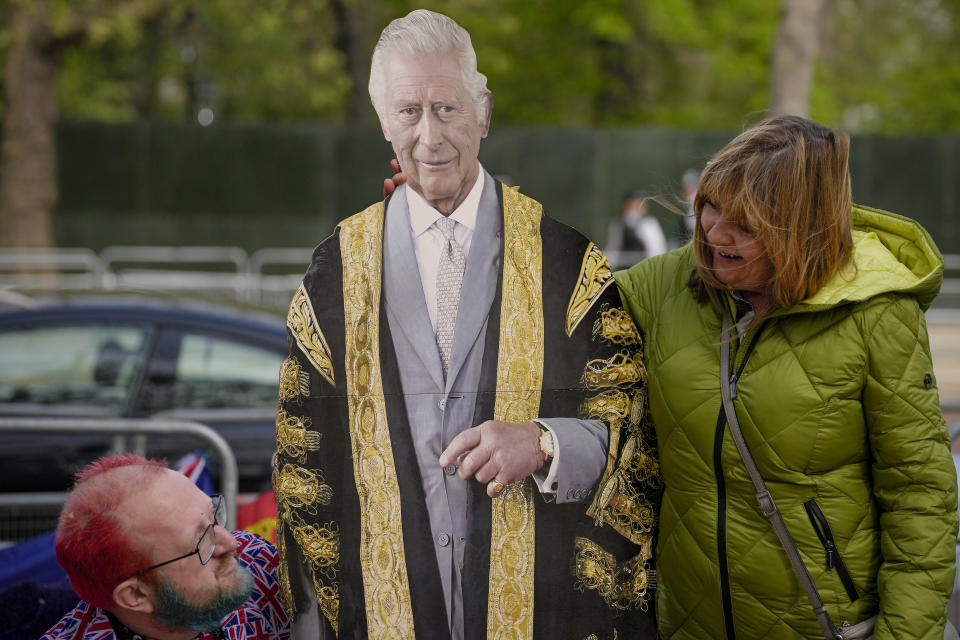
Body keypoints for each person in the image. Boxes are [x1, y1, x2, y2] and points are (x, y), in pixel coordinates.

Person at [274, 9, 658, 640]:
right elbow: (301, 469)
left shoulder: (567, 263)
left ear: (484, 112)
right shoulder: (334, 272)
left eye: (448, 109)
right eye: (408, 112)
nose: (429, 137)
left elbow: (633, 430)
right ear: (382, 123)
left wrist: (546, 443)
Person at [615, 115, 958, 639]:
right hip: (689, 624)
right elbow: (550, 310)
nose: (715, 232)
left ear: (802, 227)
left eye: (746, 224)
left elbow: (919, 496)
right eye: (710, 205)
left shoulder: (877, 314)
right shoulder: (665, 285)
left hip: (825, 624)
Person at [42, 453, 289, 640]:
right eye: (200, 542)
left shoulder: (259, 561)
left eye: (213, 517)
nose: (232, 542)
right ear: (136, 595)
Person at [605, 188, 667, 269]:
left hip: (645, 269)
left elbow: (657, 250)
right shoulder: (618, 224)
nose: (633, 208)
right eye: (631, 205)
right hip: (624, 271)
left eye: (637, 205)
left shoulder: (649, 224)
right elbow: (612, 250)